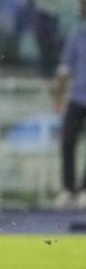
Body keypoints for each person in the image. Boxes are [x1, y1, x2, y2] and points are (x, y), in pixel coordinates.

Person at [52, 18, 86, 209]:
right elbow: (65, 69)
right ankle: (69, 189)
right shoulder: (79, 34)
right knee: (68, 142)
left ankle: (85, 189)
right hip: (78, 97)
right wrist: (58, 98)